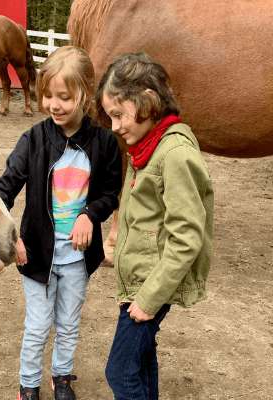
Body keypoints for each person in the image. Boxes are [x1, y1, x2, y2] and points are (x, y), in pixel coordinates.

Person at [0, 45, 122, 400]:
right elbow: (3, 189)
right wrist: (9, 237)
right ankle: (28, 385)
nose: (54, 105)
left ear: (85, 94)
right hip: (35, 254)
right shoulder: (33, 139)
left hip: (78, 257)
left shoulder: (104, 142)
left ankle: (62, 377)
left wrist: (90, 214)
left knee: (68, 324)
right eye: (47, 95)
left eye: (64, 97)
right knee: (37, 326)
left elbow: (111, 192)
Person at [95, 51, 214, 399]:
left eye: (118, 114)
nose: (115, 126)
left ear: (147, 101)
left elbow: (187, 236)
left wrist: (148, 299)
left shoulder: (174, 154)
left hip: (151, 285)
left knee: (119, 373)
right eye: (110, 116)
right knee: (142, 361)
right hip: (140, 278)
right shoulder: (147, 146)